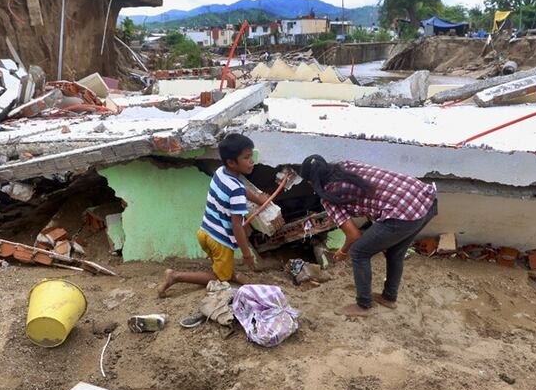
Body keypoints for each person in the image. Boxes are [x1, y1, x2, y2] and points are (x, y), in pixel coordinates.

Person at [299, 155, 438, 317]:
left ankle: (363, 305)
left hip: (403, 212)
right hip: (425, 198)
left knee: (359, 252)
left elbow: (354, 235)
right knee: (395, 252)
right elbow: (371, 200)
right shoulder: (346, 166)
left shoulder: (329, 198)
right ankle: (389, 298)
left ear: (311, 182)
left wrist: (343, 252)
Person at [158, 133, 267, 297]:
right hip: (220, 241)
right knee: (219, 278)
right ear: (232, 162)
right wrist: (247, 254)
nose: (251, 161)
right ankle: (175, 276)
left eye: (251, 156)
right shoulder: (236, 190)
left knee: (221, 264)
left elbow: (240, 189)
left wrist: (258, 199)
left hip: (205, 232)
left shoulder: (221, 172)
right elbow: (236, 225)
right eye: (246, 157)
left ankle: (229, 272)